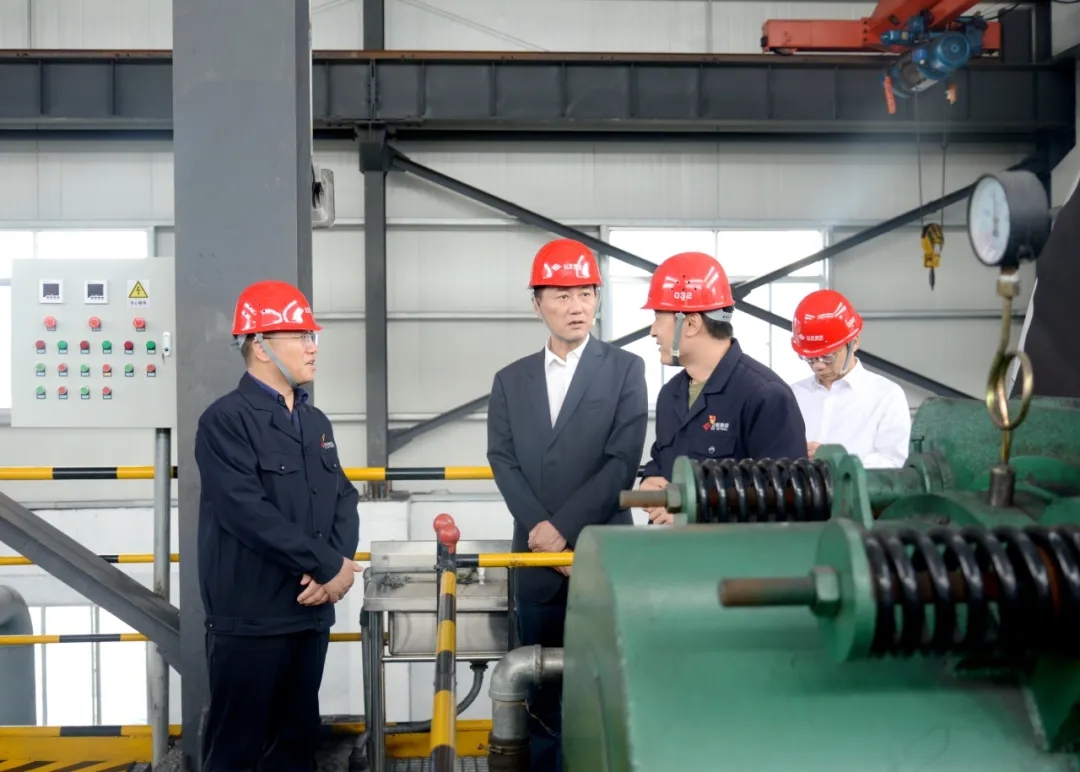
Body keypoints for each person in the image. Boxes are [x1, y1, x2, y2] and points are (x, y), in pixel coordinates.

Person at [487, 238, 649, 772]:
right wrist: (541, 530)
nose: (577, 306)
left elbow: (621, 463)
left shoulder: (625, 370)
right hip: (536, 564)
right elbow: (502, 459)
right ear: (537, 303)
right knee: (538, 697)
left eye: (586, 293)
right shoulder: (510, 381)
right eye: (561, 295)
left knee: (607, 690)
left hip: (600, 557)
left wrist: (562, 532)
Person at [194, 279, 361, 772]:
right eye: (301, 336)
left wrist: (337, 567)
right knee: (237, 752)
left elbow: (343, 497)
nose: (313, 346)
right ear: (261, 346)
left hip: (308, 615)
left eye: (313, 335)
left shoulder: (316, 422)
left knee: (295, 748)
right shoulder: (225, 421)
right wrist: (327, 565)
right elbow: (246, 512)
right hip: (251, 621)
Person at [636, 251, 806, 525]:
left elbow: (786, 501)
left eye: (658, 317)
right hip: (668, 549)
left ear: (691, 324)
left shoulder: (765, 396)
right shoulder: (671, 394)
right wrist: (650, 479)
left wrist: (693, 510)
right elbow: (662, 458)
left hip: (732, 552)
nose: (652, 331)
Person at [789, 288, 911, 469]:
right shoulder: (792, 395)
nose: (818, 366)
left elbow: (894, 463)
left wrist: (840, 463)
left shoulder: (886, 396)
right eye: (810, 358)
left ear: (854, 342)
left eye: (827, 356)